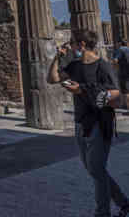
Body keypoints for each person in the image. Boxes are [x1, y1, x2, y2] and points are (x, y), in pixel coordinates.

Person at [49, 28, 129, 217]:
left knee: (96, 169)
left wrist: (84, 91)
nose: (70, 47)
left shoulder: (103, 67)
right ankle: (124, 203)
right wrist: (57, 57)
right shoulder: (74, 66)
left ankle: (102, 213)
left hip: (99, 124)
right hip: (80, 123)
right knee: (94, 170)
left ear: (82, 45)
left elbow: (116, 97)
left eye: (72, 43)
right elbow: (53, 79)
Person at [112, 39, 129, 110]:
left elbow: (115, 60)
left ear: (119, 43)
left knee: (125, 91)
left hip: (123, 73)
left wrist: (115, 68)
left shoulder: (120, 50)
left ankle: (126, 106)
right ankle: (124, 105)